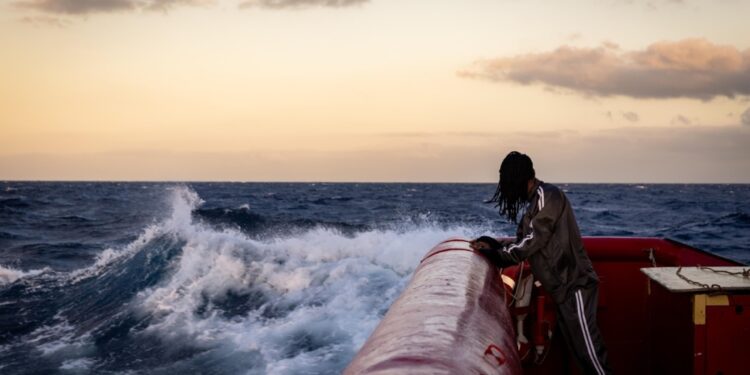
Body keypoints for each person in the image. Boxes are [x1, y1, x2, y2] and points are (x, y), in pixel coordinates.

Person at [470, 151, 611, 375]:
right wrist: (494, 245)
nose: (507, 189)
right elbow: (522, 242)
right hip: (562, 291)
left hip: (576, 287)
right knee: (580, 355)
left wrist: (498, 255)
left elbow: (531, 241)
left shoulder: (548, 197)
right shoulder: (532, 204)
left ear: (522, 178)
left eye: (509, 182)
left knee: (591, 355)